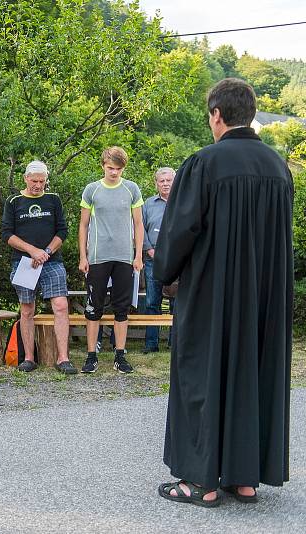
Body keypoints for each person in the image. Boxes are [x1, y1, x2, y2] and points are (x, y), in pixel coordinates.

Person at [156, 78, 293, 507]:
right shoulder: (278, 167)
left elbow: (179, 232)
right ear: (250, 113)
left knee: (203, 374)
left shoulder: (204, 163)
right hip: (265, 298)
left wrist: (165, 273)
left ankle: (202, 483)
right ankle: (245, 479)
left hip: (212, 294)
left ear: (216, 115)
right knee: (252, 375)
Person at [2, 161, 76, 374]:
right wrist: (33, 251)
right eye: (34, 181)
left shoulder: (53, 199)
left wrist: (46, 252)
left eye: (42, 181)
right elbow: (7, 234)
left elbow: (62, 231)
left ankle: (63, 358)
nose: (38, 185)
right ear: (25, 178)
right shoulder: (14, 201)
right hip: (24, 262)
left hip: (52, 260)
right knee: (27, 308)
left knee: (61, 305)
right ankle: (28, 358)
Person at [78, 147, 143, 374]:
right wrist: (83, 256)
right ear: (103, 165)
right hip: (98, 257)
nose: (114, 172)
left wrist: (138, 255)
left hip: (124, 257)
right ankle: (91, 356)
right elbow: (83, 225)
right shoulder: (92, 190)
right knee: (93, 307)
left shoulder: (131, 188)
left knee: (121, 308)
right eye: (110, 168)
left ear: (123, 168)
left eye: (118, 169)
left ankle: (120, 356)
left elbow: (138, 224)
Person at [141, 167, 175, 354]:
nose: (165, 184)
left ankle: (175, 343)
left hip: (177, 261)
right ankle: (151, 343)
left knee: (176, 303)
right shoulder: (148, 204)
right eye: (162, 181)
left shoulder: (182, 201)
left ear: (175, 181)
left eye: (169, 180)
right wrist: (150, 249)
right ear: (156, 183)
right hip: (153, 259)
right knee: (152, 302)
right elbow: (140, 229)